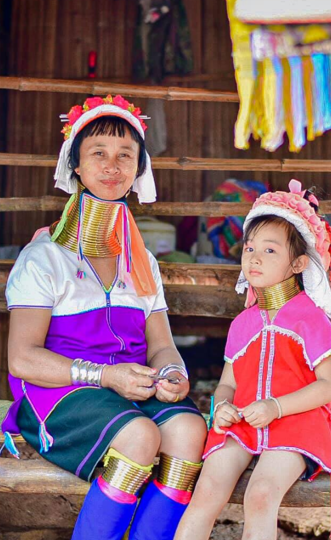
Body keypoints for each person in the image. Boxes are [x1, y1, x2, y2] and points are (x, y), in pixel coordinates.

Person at [0, 95, 207, 540]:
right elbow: (21, 360)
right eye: (99, 153)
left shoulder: (142, 259)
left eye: (125, 156)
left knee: (190, 428)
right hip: (58, 393)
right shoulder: (45, 257)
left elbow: (162, 344)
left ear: (138, 170)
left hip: (128, 387)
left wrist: (173, 371)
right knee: (139, 436)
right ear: (75, 165)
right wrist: (106, 376)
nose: (113, 166)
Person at [175, 180, 331, 540]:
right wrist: (221, 407)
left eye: (269, 251)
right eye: (249, 247)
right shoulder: (243, 323)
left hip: (297, 421)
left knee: (260, 495)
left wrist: (276, 406)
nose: (253, 257)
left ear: (299, 263)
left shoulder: (310, 319)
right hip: (244, 420)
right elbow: (227, 383)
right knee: (206, 490)